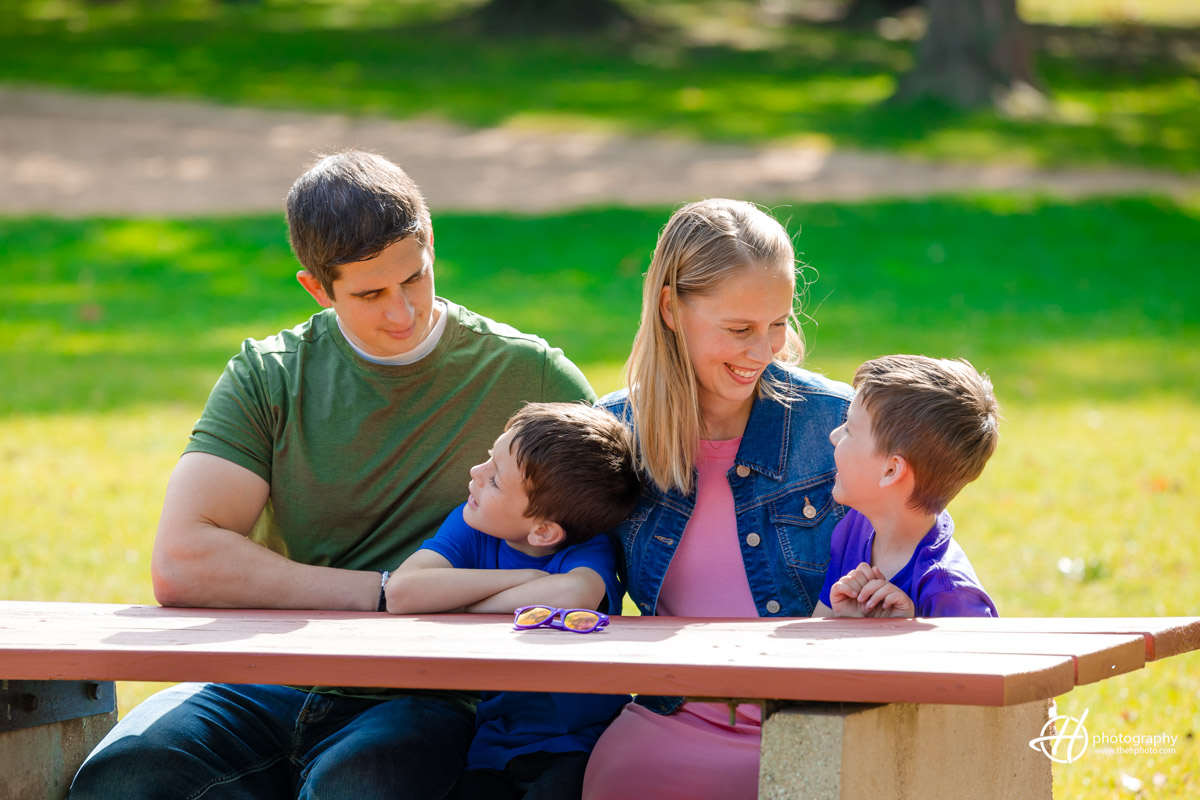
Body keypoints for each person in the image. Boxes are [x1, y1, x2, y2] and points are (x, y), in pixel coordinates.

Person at [69, 150, 595, 800]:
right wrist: (382, 594)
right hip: (266, 678)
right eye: (370, 294)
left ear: (430, 243)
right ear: (317, 288)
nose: (402, 312)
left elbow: (594, 562)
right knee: (122, 776)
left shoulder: (534, 379)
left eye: (415, 278)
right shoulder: (270, 376)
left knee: (362, 786)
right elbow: (183, 560)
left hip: (430, 693)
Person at [582, 199, 854, 800]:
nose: (763, 352)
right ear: (671, 309)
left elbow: (928, 561)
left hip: (815, 727)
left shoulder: (838, 425)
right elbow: (570, 582)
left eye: (778, 324)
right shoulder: (614, 433)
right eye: (739, 330)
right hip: (669, 723)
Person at [387, 401, 641, 800]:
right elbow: (401, 592)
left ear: (543, 532)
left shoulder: (587, 548)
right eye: (490, 457)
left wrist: (464, 605)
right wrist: (525, 578)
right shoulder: (472, 522)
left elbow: (576, 593)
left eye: (495, 480)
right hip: (493, 743)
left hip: (581, 746)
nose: (476, 472)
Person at [813, 354, 1000, 619]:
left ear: (891, 471)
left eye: (849, 430)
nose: (834, 436)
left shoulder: (952, 595)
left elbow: (985, 660)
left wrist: (906, 633)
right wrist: (848, 620)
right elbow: (814, 646)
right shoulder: (856, 527)